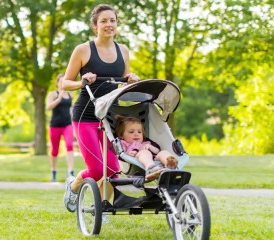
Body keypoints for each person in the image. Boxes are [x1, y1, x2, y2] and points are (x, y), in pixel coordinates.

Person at [61, 4, 140, 213]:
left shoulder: (123, 51)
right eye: (104, 21)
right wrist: (82, 82)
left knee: (113, 169)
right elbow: (64, 83)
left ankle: (101, 207)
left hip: (110, 116)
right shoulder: (83, 50)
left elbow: (122, 83)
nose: (109, 25)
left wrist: (131, 80)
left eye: (112, 20)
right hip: (85, 115)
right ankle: (74, 185)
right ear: (95, 26)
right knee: (97, 169)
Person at [115, 115, 178, 181]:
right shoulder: (124, 143)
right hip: (138, 159)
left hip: (155, 158)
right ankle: (151, 168)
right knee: (144, 152)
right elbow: (122, 153)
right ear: (121, 135)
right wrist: (128, 153)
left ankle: (171, 165)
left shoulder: (146, 142)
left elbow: (157, 151)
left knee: (163, 152)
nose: (136, 134)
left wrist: (150, 146)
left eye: (139, 132)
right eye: (131, 132)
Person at [46, 74, 75, 182]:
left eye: (65, 81)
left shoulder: (70, 95)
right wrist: (59, 98)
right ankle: (53, 171)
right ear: (57, 83)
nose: (63, 83)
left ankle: (70, 172)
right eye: (61, 81)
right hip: (55, 125)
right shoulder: (53, 94)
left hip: (67, 125)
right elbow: (48, 107)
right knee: (55, 150)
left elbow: (71, 110)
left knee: (69, 145)